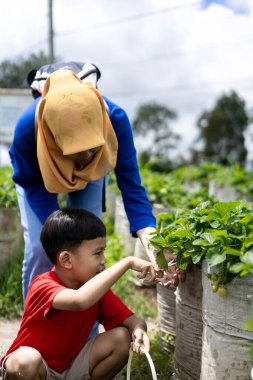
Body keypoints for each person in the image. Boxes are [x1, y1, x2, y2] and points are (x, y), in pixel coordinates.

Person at [9, 61, 179, 301]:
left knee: (88, 249)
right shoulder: (30, 128)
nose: (86, 159)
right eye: (78, 152)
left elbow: (132, 188)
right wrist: (58, 236)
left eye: (92, 149)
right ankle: (36, 321)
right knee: (42, 248)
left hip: (95, 174)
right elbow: (29, 182)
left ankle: (86, 329)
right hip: (38, 178)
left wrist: (153, 244)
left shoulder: (115, 120)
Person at [0, 207, 158, 380]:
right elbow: (79, 300)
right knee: (24, 361)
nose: (103, 260)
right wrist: (128, 262)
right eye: (98, 253)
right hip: (38, 370)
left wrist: (138, 329)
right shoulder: (43, 285)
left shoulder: (96, 290)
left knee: (122, 338)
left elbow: (132, 320)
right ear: (66, 260)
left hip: (71, 367)